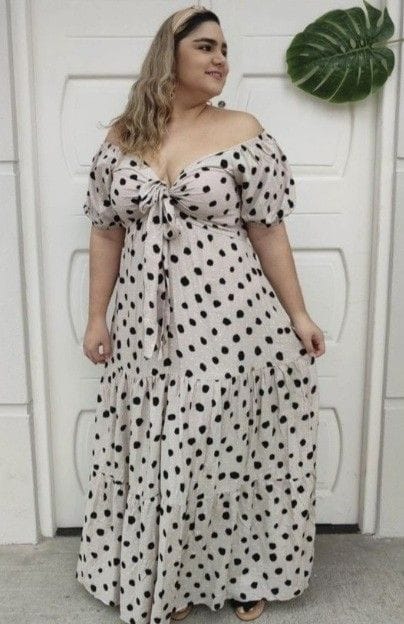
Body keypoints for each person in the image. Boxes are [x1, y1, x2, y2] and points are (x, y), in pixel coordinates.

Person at [76, 5, 325, 624]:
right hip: (142, 327)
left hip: (231, 320)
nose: (221, 60)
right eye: (206, 47)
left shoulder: (242, 130)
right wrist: (96, 317)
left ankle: (247, 570)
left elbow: (268, 230)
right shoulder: (122, 138)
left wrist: (298, 314)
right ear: (170, 54)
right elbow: (105, 233)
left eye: (224, 49)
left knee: (225, 443)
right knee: (158, 446)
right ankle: (174, 578)